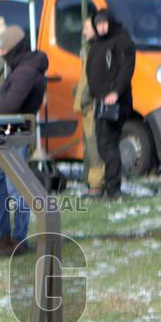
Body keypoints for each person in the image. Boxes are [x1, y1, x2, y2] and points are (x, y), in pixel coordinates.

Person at [0, 24, 49, 256]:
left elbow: (9, 107)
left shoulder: (25, 72)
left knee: (15, 188)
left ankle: (18, 239)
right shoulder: (22, 69)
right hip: (9, 134)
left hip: (16, 136)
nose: (2, 54)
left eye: (4, 50)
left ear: (15, 49)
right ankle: (3, 234)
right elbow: (9, 102)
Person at [86, 8, 135, 199]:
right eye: (98, 24)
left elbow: (126, 69)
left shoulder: (122, 40)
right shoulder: (98, 44)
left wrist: (115, 92)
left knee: (108, 143)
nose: (102, 27)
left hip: (116, 103)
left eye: (104, 23)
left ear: (111, 22)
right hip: (100, 101)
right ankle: (110, 186)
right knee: (102, 141)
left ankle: (113, 188)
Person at [72, 16, 105, 196]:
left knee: (94, 145)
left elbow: (93, 81)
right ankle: (95, 183)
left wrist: (84, 96)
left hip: (91, 105)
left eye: (86, 28)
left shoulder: (96, 50)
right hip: (87, 105)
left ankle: (96, 185)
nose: (83, 31)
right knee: (92, 145)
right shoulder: (90, 49)